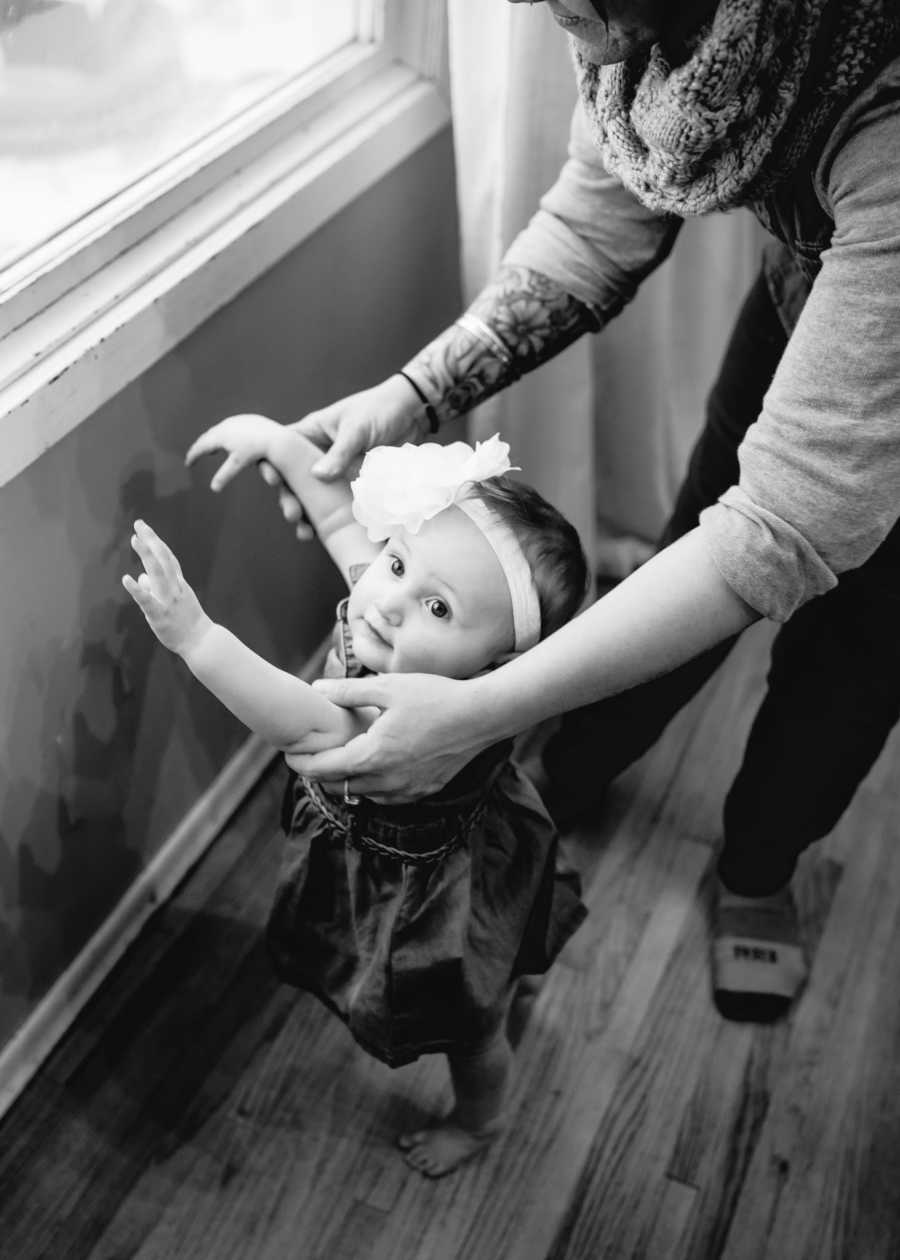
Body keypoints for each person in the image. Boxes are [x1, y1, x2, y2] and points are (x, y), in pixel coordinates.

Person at [254, 0, 900, 1024]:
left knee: (854, 650)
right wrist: (408, 396)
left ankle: (761, 862)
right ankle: (581, 757)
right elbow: (593, 231)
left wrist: (474, 714)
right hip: (806, 283)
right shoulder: (644, 56)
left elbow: (781, 528)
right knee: (696, 529)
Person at [122, 415, 588, 1177]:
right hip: (493, 847)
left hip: (430, 896)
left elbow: (284, 709)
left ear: (497, 663)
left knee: (471, 1031)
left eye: (439, 609)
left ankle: (481, 1121)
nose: (391, 599)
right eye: (400, 562)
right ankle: (515, 971)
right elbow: (341, 518)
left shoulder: (384, 711)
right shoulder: (397, 620)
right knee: (504, 943)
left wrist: (195, 634)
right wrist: (280, 444)